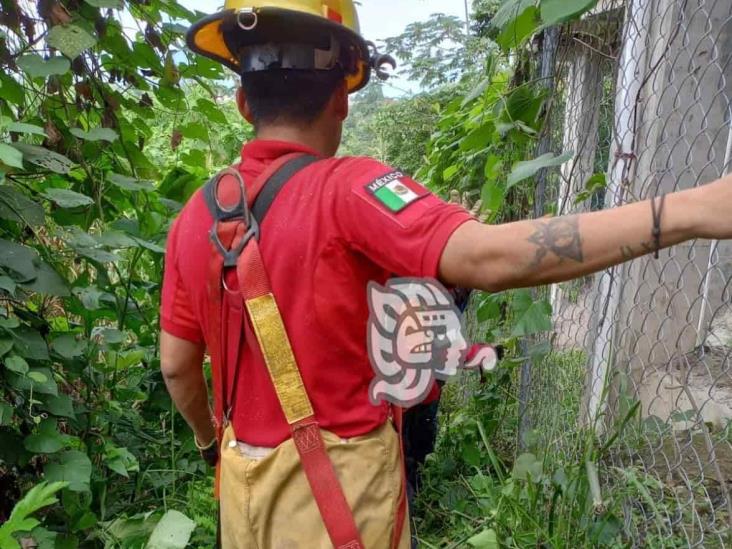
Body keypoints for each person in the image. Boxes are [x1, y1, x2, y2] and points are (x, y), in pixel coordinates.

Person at [159, 2, 732, 547]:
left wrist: (213, 445)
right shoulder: (349, 189)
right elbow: (488, 258)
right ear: (342, 98)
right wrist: (688, 212)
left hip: (243, 493)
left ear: (242, 102)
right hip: (337, 497)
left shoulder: (196, 217)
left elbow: (178, 367)